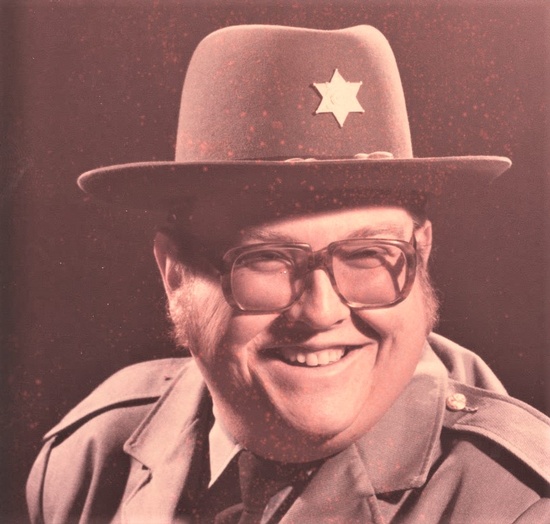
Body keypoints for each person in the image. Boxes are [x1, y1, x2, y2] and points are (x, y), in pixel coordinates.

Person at [26, 24, 549, 524]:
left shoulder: (519, 505)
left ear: (422, 256)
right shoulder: (88, 457)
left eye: (368, 255)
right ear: (176, 275)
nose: (321, 312)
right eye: (266, 259)